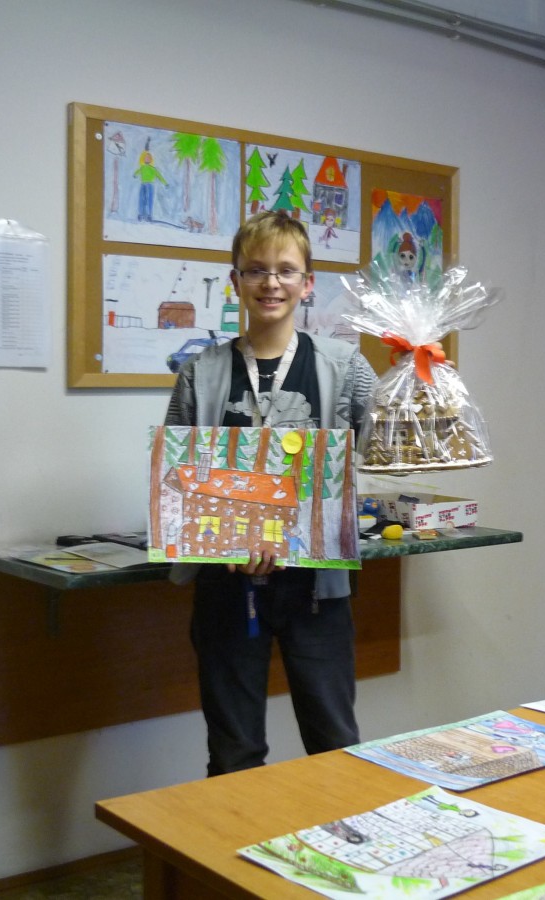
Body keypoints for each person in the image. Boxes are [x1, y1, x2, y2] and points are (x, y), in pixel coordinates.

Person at [164, 210, 378, 776]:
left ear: (308, 283)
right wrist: (226, 539)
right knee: (233, 750)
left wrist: (419, 388)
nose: (271, 283)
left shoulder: (345, 366)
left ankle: (339, 832)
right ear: (235, 281)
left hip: (317, 589)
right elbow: (178, 477)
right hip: (227, 587)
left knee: (334, 742)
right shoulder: (200, 373)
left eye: (286, 270)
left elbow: (383, 449)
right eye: (256, 270)